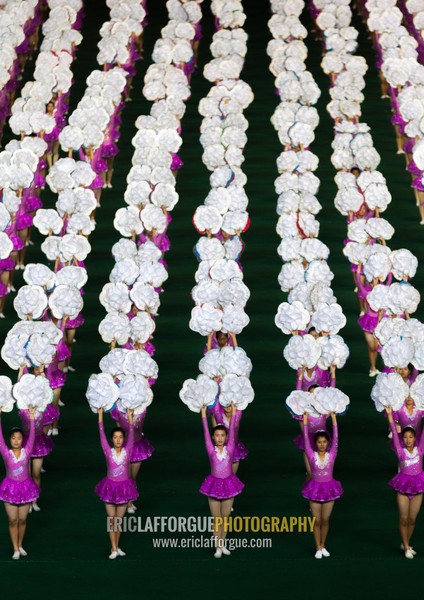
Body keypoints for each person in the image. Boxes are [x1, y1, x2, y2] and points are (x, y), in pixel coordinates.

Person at [200, 403, 244, 558]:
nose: (219, 438)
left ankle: (223, 543)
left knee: (225, 518)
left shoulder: (230, 448)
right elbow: (205, 432)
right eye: (216, 435)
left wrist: (232, 413)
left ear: (226, 437)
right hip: (213, 484)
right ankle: (217, 546)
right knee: (216, 518)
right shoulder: (210, 449)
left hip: (228, 484)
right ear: (213, 437)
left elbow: (232, 430)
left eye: (222, 435)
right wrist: (204, 415)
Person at [95, 407, 138, 559]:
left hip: (124, 488)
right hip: (109, 487)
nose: (118, 440)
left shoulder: (128, 450)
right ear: (112, 439)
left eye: (121, 437)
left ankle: (117, 546)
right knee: (111, 519)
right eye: (115, 437)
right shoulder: (108, 450)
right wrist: (100, 416)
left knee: (119, 521)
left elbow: (132, 434)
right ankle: (113, 548)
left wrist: (130, 418)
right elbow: (101, 436)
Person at [0, 407, 39, 559]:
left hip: (25, 488)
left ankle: (20, 544)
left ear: (22, 440)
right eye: (13, 438)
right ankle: (15, 548)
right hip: (9, 488)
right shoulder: (5, 452)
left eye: (19, 438)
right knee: (12, 520)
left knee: (22, 520)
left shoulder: (27, 451)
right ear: (10, 440)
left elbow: (33, 436)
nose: (16, 440)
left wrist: (31, 417)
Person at [302, 412, 342, 559]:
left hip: (329, 488)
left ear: (328, 442)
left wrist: (333, 419)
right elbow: (305, 439)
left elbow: (336, 438)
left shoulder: (332, 454)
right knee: (316, 520)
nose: (322, 444)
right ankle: (317, 546)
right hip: (314, 489)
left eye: (324, 441)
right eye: (319, 442)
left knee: (325, 520)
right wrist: (305, 421)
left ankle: (323, 544)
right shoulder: (311, 454)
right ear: (316, 443)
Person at [386, 407, 424, 558]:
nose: (408, 440)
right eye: (406, 437)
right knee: (403, 518)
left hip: (418, 485)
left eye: (411, 437)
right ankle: (407, 546)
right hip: (403, 485)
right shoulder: (400, 450)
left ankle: (406, 542)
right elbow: (395, 434)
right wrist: (390, 415)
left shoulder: (420, 449)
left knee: (412, 518)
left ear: (415, 438)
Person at [110, 406, 154, 513]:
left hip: (138, 446)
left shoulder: (142, 409)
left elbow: (138, 427)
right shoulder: (118, 410)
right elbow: (119, 431)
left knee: (133, 477)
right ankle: (128, 502)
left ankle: (130, 498)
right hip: (125, 448)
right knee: (127, 477)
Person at [208, 402, 247, 474]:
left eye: (230, 405)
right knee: (222, 475)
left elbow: (241, 400)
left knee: (232, 476)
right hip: (222, 448)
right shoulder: (219, 415)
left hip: (234, 447)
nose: (228, 407)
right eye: (226, 405)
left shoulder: (238, 414)